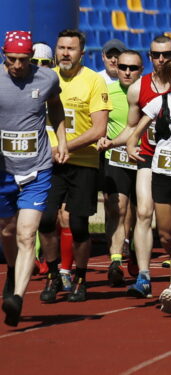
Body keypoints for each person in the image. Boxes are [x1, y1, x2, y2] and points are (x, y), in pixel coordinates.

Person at [118, 56, 171, 311]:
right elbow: (135, 133)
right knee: (166, 236)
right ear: (170, 82)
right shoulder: (159, 103)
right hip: (163, 173)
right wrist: (132, 148)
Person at [0, 30, 69, 326]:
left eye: (23, 60)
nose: (17, 65)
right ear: (4, 55)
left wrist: (62, 139)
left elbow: (55, 104)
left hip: (37, 169)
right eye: (12, 59)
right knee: (6, 231)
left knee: (27, 233)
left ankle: (16, 296)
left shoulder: (47, 78)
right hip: (3, 170)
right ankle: (14, 269)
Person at [38, 29, 111, 303]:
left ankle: (80, 277)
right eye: (61, 48)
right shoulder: (45, 78)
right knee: (45, 220)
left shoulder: (93, 81)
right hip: (48, 162)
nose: (65, 53)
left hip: (82, 162)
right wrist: (51, 150)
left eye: (71, 48)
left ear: (82, 52)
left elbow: (98, 129)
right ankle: (53, 275)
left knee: (79, 226)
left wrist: (66, 146)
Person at [110, 35, 171, 297]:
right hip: (148, 158)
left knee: (169, 231)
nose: (161, 59)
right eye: (157, 55)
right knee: (144, 213)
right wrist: (114, 143)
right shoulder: (139, 88)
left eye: (167, 54)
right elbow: (130, 127)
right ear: (149, 57)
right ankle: (144, 277)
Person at [96, 50, 143, 286]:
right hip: (115, 159)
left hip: (143, 161)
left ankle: (135, 250)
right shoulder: (107, 93)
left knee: (140, 213)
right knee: (117, 208)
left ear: (141, 70)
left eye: (132, 68)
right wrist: (102, 140)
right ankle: (115, 260)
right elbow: (97, 124)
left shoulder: (149, 93)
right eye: (123, 67)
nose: (126, 72)